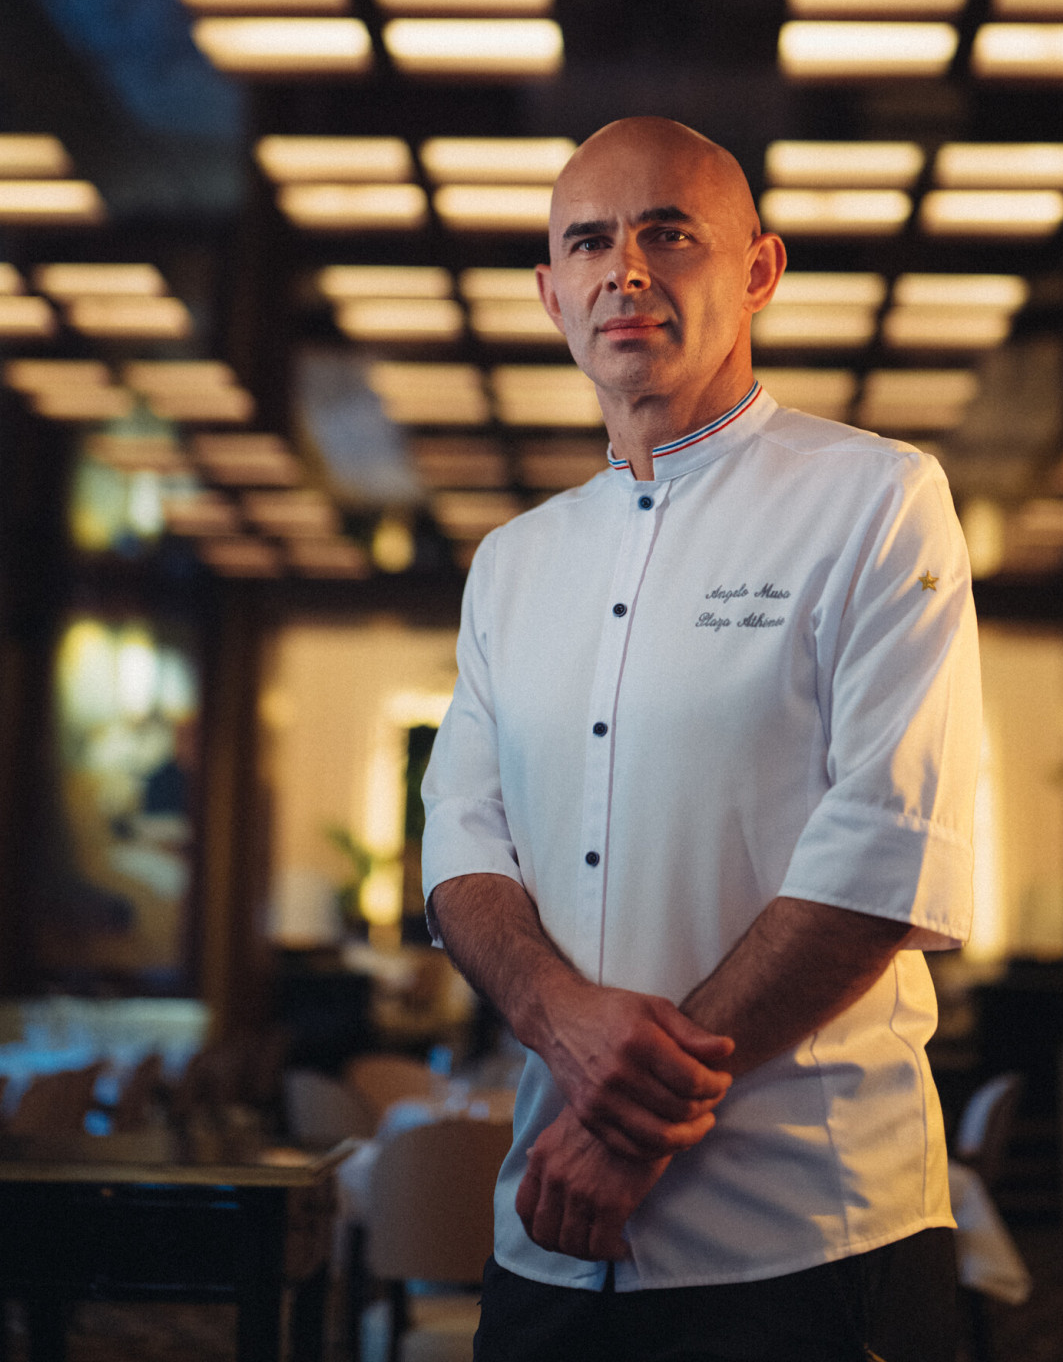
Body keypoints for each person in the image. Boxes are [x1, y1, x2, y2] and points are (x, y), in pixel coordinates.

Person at [421, 117, 982, 1361]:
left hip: (809, 1234)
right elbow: (462, 849)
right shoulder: (510, 565)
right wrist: (560, 1015)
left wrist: (626, 1125)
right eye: (591, 242)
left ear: (759, 272)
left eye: (669, 234)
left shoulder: (880, 501)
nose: (627, 271)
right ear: (550, 290)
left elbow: (884, 852)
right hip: (552, 1239)